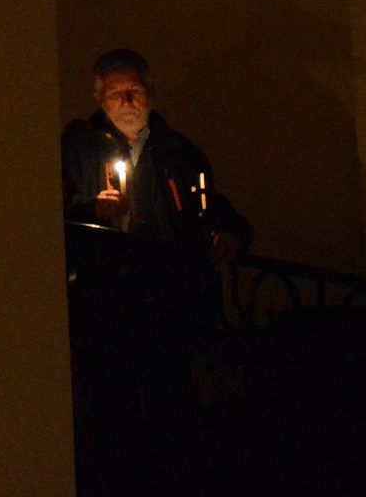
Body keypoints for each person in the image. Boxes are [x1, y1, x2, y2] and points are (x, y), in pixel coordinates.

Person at [61, 48, 253, 495]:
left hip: (169, 308)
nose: (126, 102)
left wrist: (230, 234)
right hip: (105, 308)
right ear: (98, 98)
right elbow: (47, 215)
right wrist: (92, 210)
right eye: (115, 94)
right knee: (113, 414)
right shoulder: (76, 149)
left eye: (135, 91)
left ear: (151, 93)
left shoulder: (178, 152)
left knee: (174, 412)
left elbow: (210, 209)